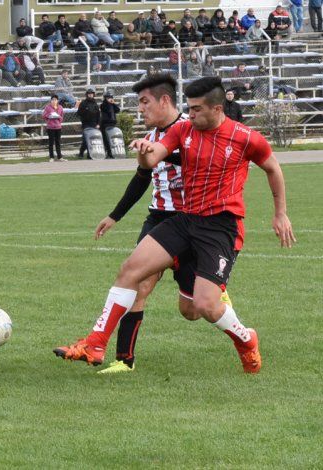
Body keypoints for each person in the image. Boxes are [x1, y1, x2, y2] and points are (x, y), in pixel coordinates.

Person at [54, 76, 296, 374]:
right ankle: (96, 342)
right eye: (189, 108)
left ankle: (246, 339)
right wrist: (145, 151)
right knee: (131, 271)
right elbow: (155, 157)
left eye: (196, 109)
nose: (190, 115)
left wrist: (280, 213)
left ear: (217, 109)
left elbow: (273, 167)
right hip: (183, 220)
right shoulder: (183, 130)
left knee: (203, 308)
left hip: (220, 227)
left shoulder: (245, 137)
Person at [78, 74, 193, 373]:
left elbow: (201, 163)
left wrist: (159, 155)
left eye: (144, 102)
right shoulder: (152, 136)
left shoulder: (191, 131)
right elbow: (142, 179)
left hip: (192, 223)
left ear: (164, 100)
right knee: (139, 284)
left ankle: (232, 321)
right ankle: (123, 360)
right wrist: (114, 215)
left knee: (194, 310)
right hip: (158, 219)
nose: (140, 109)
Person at [76, 88, 100, 159]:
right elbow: (78, 113)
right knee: (86, 140)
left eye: (91, 94)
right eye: (89, 94)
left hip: (94, 124)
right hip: (86, 124)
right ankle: (81, 152)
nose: (90, 95)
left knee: (93, 139)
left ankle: (91, 154)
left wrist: (98, 123)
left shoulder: (95, 103)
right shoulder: (83, 103)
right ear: (87, 95)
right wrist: (85, 113)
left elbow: (98, 114)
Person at [42, 95, 64, 162]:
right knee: (51, 142)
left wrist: (58, 117)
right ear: (51, 100)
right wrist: (50, 116)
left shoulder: (60, 107)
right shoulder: (47, 107)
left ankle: (59, 156)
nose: (54, 101)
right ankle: (51, 157)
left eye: (55, 100)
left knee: (58, 142)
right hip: (50, 127)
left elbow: (62, 116)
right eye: (53, 100)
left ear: (57, 101)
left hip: (58, 127)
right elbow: (44, 116)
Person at [100, 91, 119, 159]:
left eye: (111, 97)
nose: (110, 99)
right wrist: (109, 103)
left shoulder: (112, 105)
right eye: (108, 98)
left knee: (112, 139)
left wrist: (113, 104)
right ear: (105, 98)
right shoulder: (103, 105)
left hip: (112, 124)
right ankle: (109, 153)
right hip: (105, 124)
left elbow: (118, 110)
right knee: (106, 139)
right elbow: (106, 110)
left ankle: (113, 152)